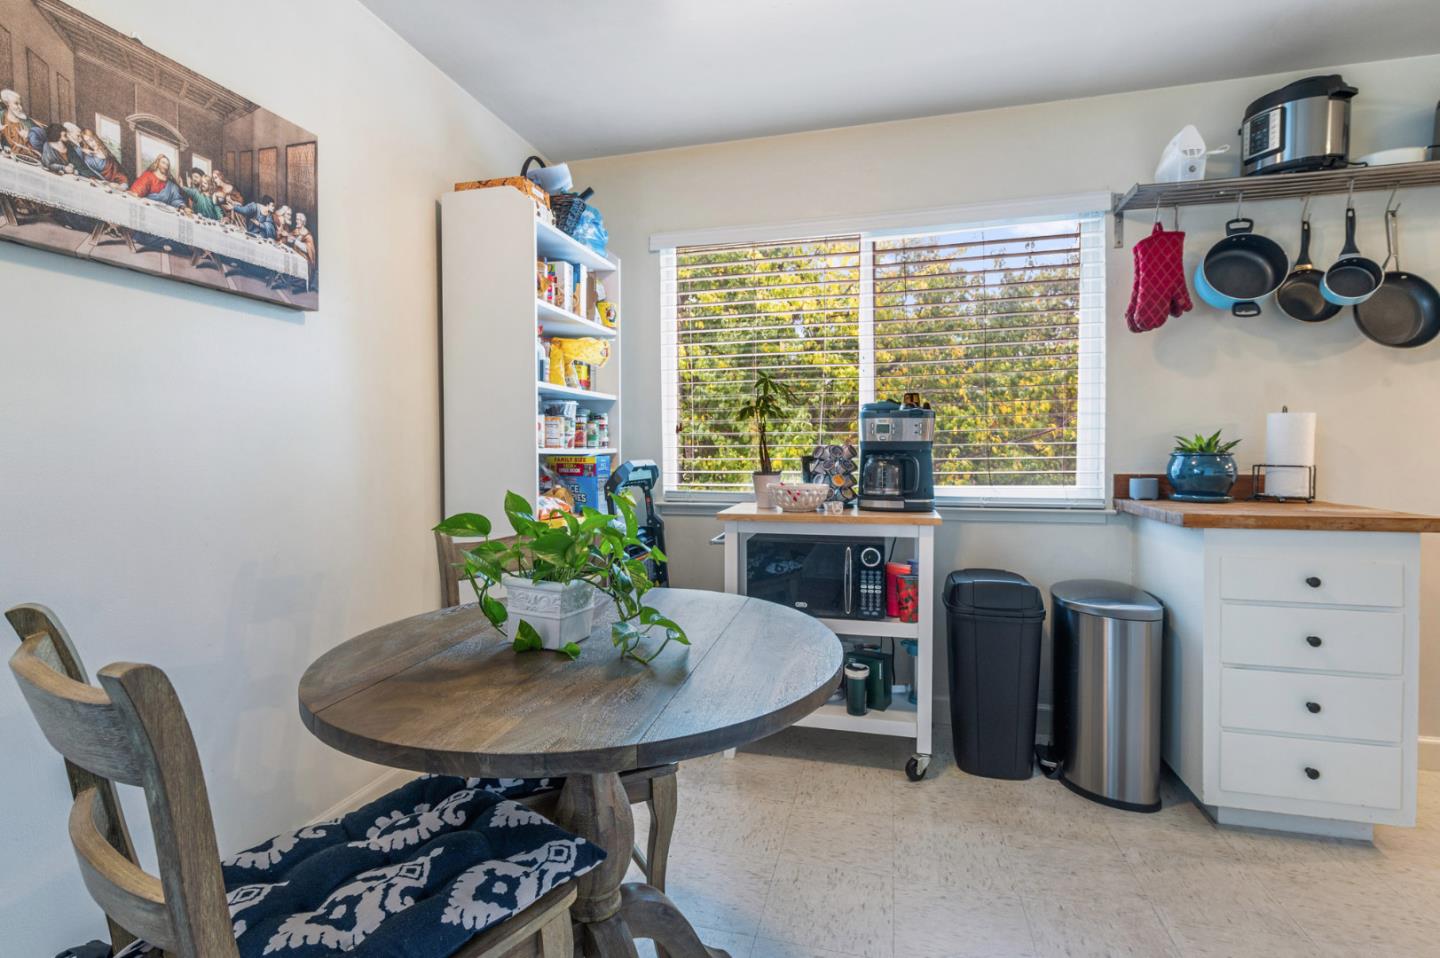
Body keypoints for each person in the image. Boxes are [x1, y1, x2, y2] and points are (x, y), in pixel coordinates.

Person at [0, 89, 44, 159]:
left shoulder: (28, 123)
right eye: (16, 104)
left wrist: (28, 137)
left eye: (20, 104)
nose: (20, 108)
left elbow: (41, 148)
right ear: (7, 103)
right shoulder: (1, 117)